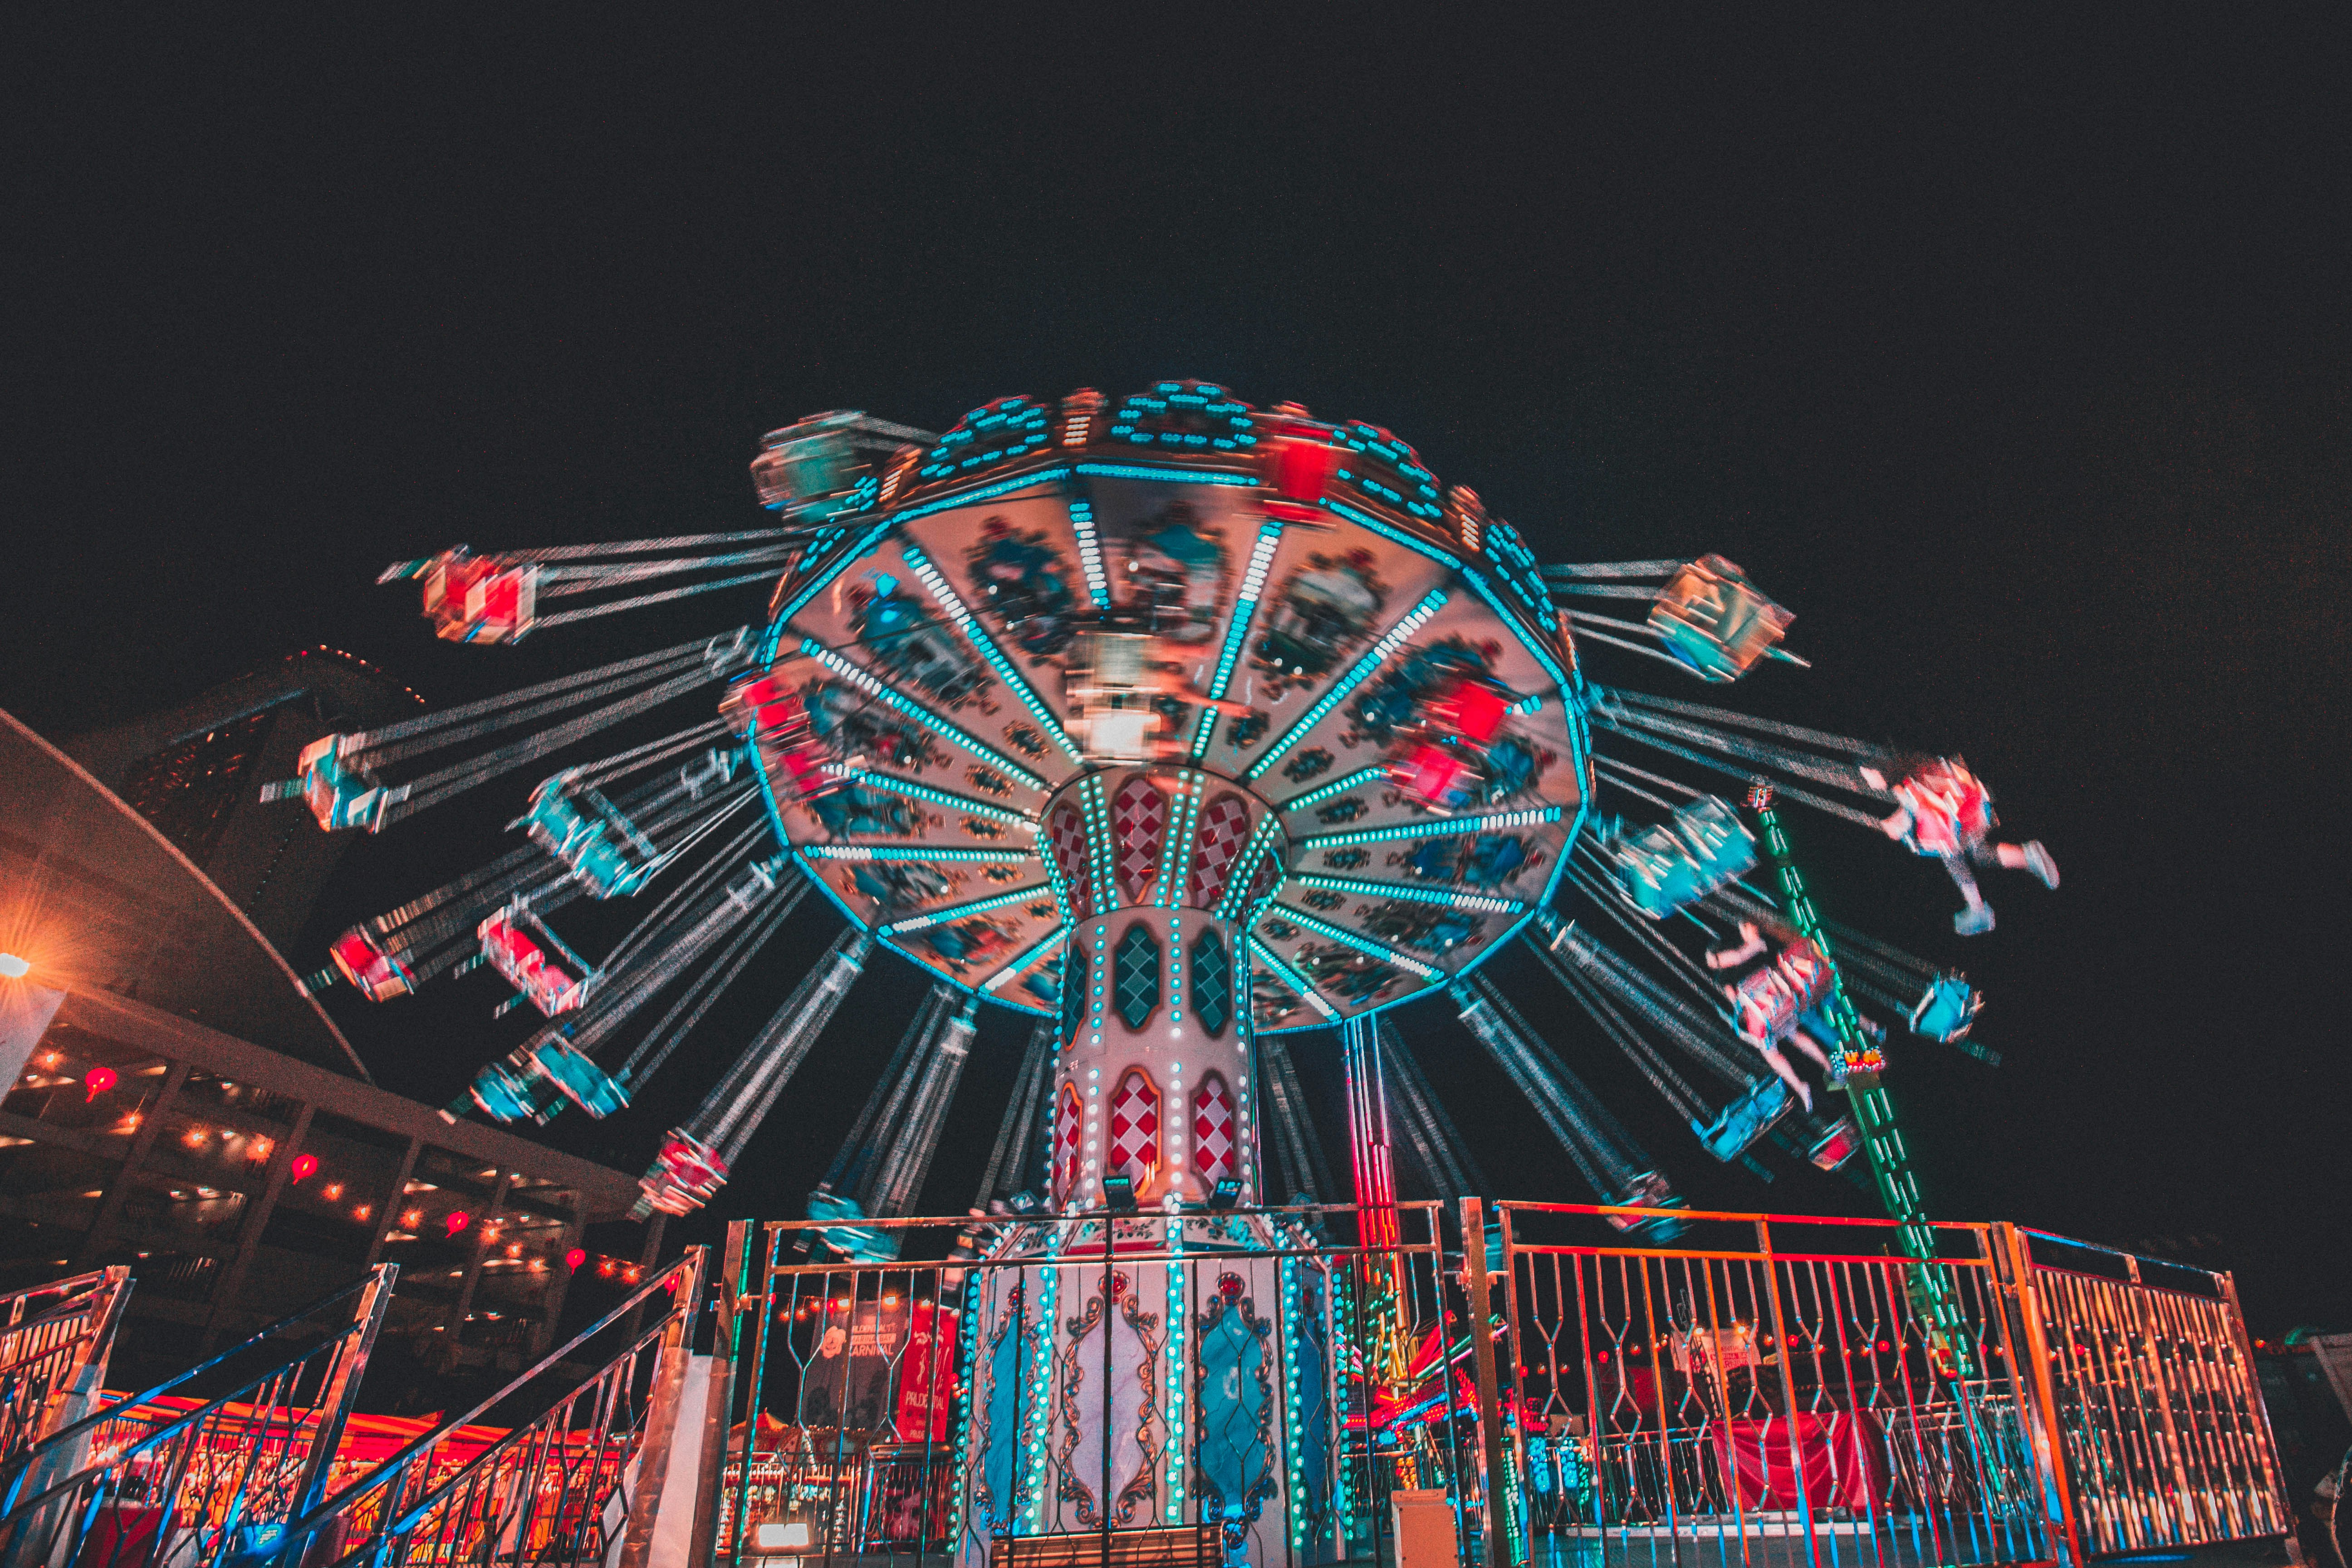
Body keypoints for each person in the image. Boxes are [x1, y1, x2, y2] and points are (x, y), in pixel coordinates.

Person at [1860, 755, 2057, 935]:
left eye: (1867, 774)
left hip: (1957, 810)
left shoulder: (1902, 783)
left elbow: (1918, 805)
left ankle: (1979, 909)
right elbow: (1917, 803)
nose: (1867, 781)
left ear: (1877, 770)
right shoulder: (1905, 777)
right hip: (1962, 808)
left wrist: (1897, 823)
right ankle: (2026, 858)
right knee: (1976, 853)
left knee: (1951, 852)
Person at [1705, 918, 1842, 1111]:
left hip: (1767, 1012)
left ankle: (1801, 1086)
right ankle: (1828, 1066)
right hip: (1783, 1001)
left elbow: (1736, 1002)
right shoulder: (1754, 948)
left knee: (1771, 1053)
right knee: (1794, 1035)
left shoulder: (1725, 974)